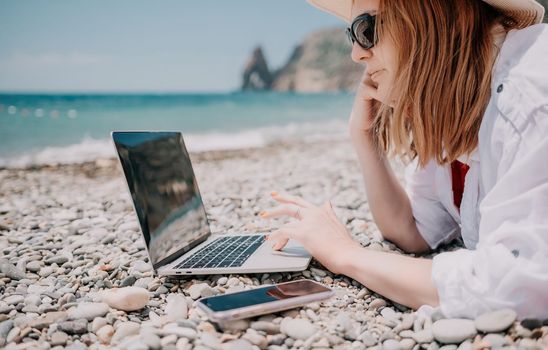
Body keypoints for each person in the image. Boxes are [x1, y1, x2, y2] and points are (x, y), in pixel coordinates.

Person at [260, 0, 548, 319]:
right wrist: (366, 139)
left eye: (366, 31)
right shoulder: (454, 118)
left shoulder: (531, 98)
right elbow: (414, 231)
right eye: (351, 36)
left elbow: (516, 285)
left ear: (438, 17)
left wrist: (346, 255)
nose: (356, 53)